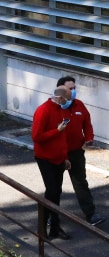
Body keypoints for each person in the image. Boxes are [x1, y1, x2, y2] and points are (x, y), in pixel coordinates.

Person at [56, 76, 105, 226]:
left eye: (74, 88)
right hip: (57, 154)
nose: (73, 91)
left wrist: (89, 138)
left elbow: (87, 124)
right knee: (54, 187)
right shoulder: (53, 107)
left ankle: (91, 215)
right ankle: (52, 218)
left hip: (76, 152)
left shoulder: (79, 105)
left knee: (81, 183)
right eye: (70, 89)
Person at [31, 86, 73, 240]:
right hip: (45, 158)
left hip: (58, 159)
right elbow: (37, 136)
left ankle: (54, 227)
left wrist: (65, 157)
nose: (70, 102)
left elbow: (62, 138)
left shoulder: (60, 110)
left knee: (56, 193)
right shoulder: (43, 110)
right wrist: (57, 130)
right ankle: (43, 227)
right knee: (52, 192)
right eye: (68, 98)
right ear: (60, 98)